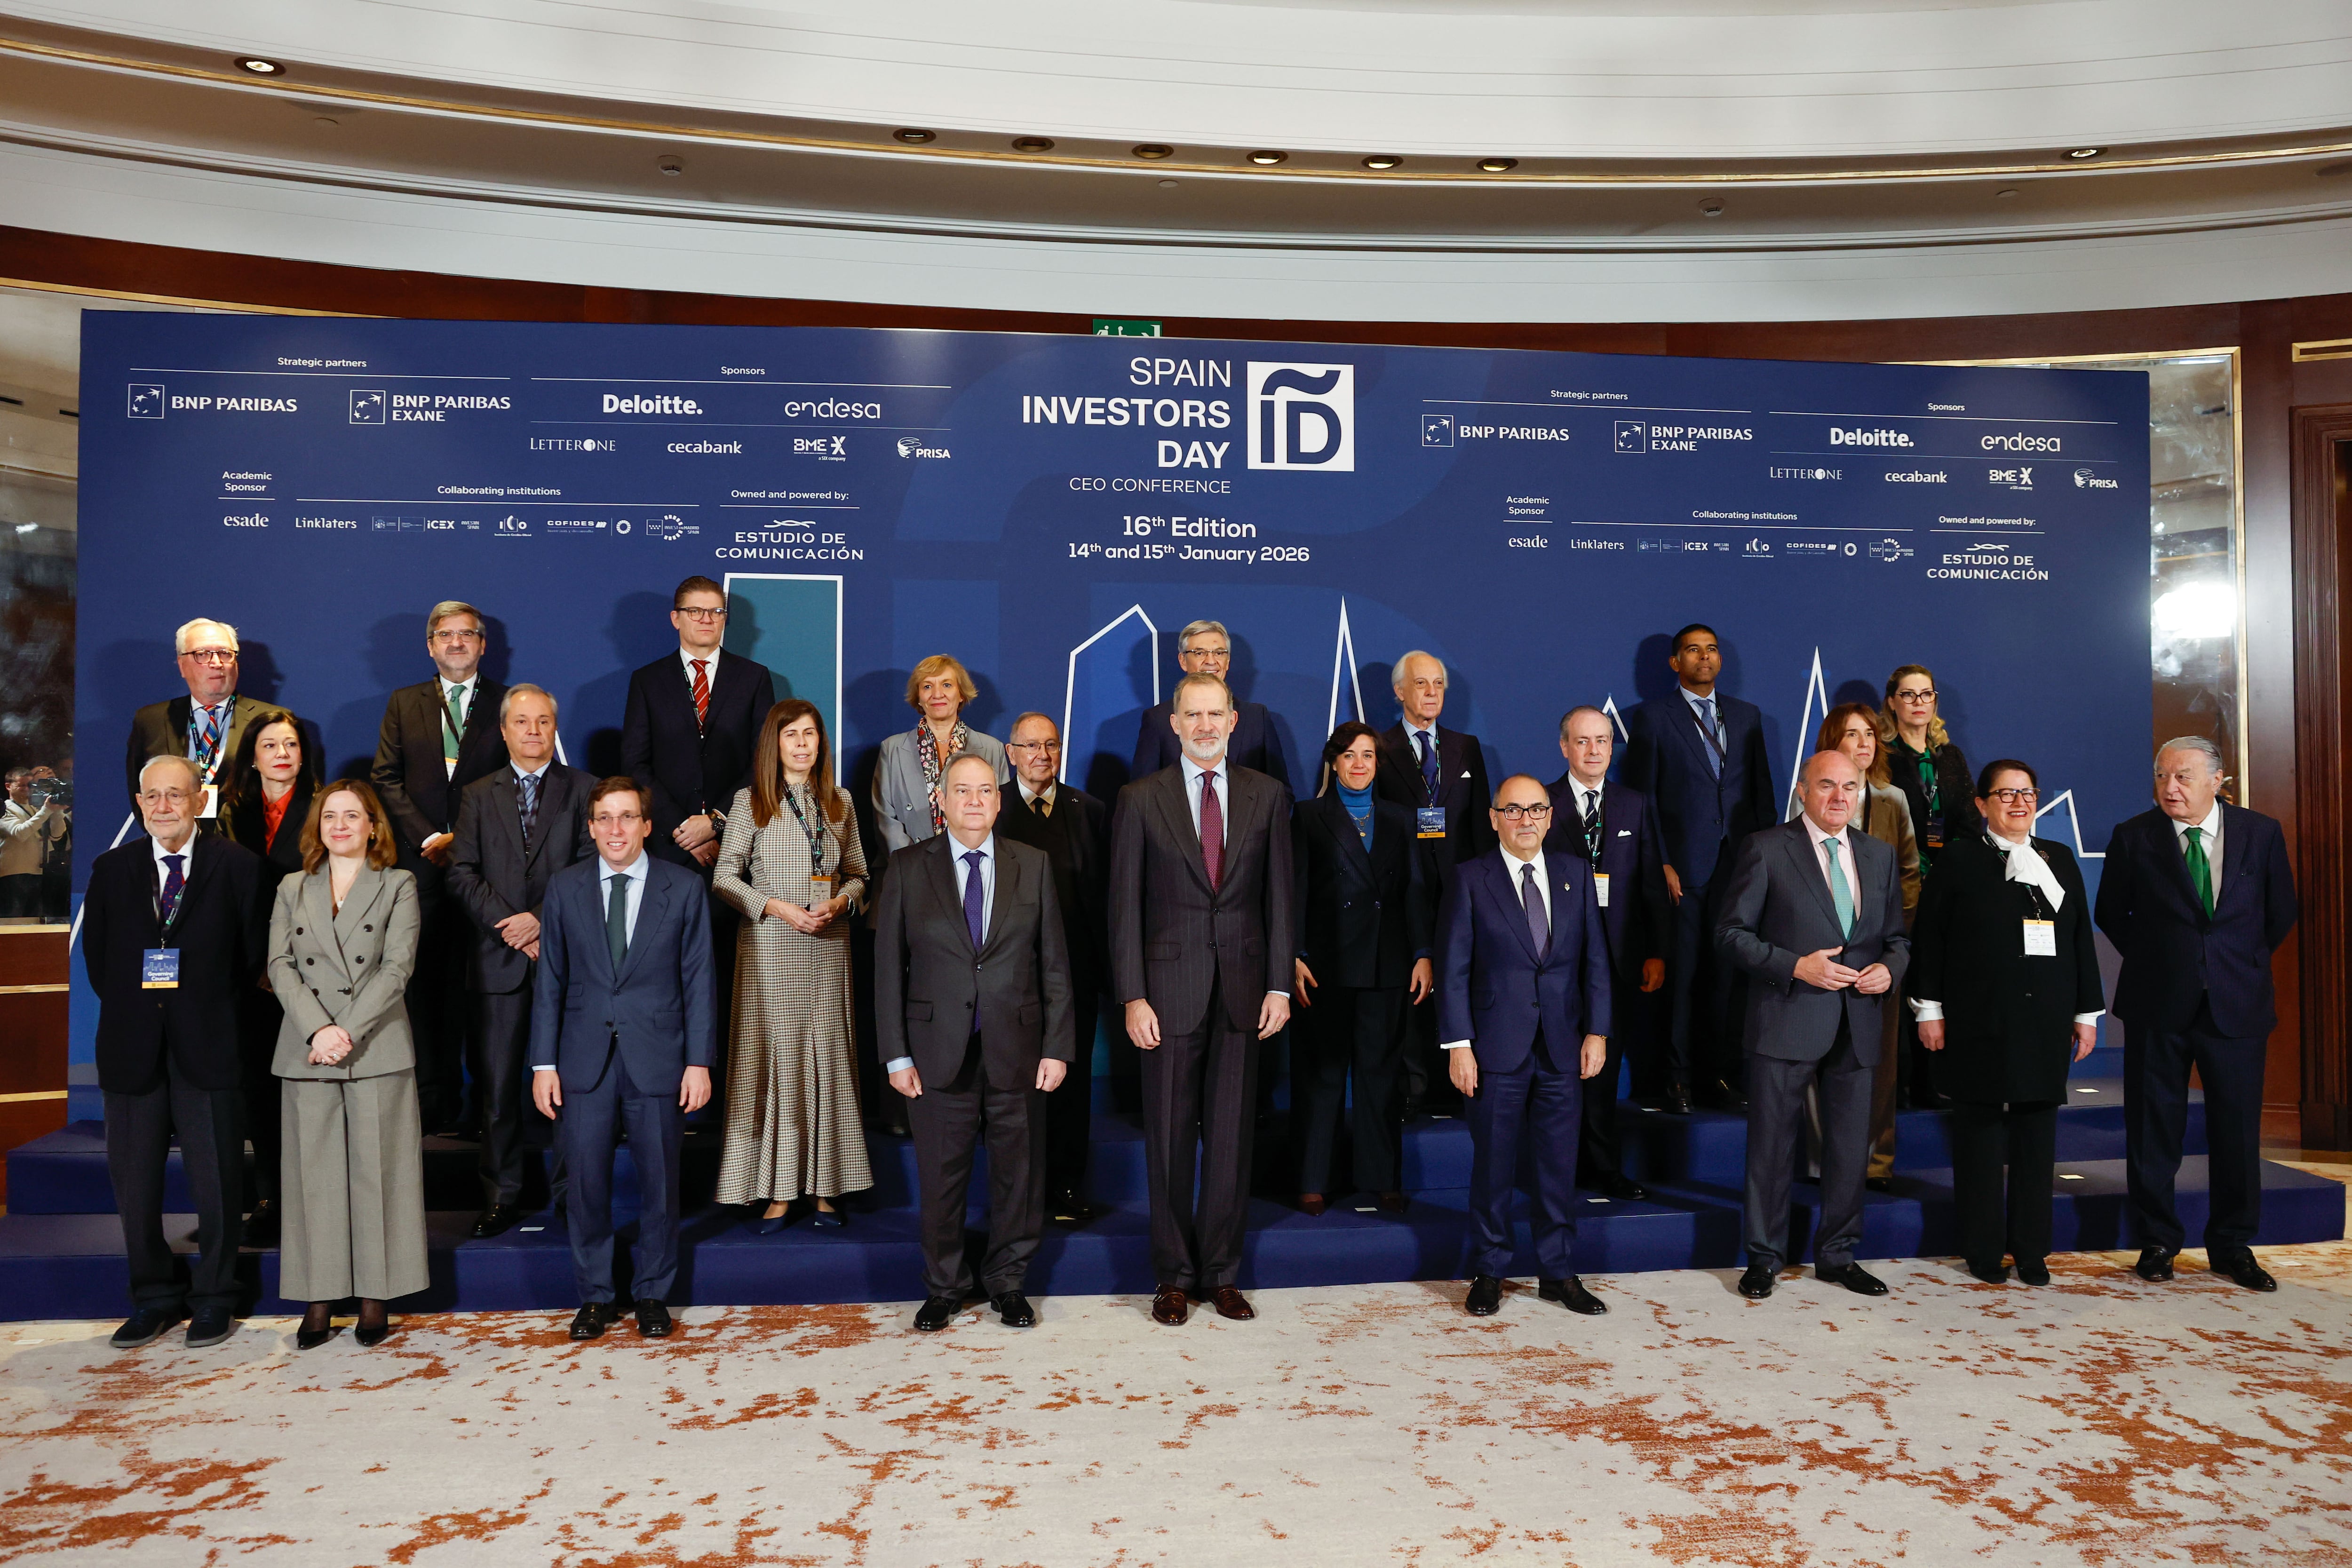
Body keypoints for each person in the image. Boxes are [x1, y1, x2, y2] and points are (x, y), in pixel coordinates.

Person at [1110, 672, 1295, 1326]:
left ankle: (1221, 1273)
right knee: (1167, 1138)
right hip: (1166, 995)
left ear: (1234, 721)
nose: (1206, 725)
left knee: (1230, 1140)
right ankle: (1171, 1275)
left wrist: (1279, 983)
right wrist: (1132, 996)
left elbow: (1280, 897)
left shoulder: (1266, 795)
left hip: (1244, 992)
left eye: (1216, 714)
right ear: (1175, 723)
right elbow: (1123, 906)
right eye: (1194, 715)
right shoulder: (1140, 798)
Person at [877, 752, 1076, 1331]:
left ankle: (1008, 1284)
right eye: (961, 790)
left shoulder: (1031, 864)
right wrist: (896, 1055)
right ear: (941, 800)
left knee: (1019, 1177)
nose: (973, 801)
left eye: (984, 790)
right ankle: (944, 1287)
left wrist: (1057, 1047)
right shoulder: (907, 867)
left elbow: (1055, 964)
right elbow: (888, 971)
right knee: (942, 1178)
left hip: (1019, 1049)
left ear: (998, 800)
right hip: (935, 1053)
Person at [2095, 736, 2298, 1292]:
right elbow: (2110, 912)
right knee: (2152, 1128)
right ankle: (2157, 1241)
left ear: (2216, 780)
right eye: (2162, 776)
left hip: (2236, 1003)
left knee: (2235, 1130)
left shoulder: (2260, 833)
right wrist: (2161, 960)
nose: (2170, 788)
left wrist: (2232, 962)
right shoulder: (2133, 836)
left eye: (2182, 777)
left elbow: (2280, 912)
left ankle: (2231, 1245)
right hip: (2156, 1003)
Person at [81, 755, 267, 1351]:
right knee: (135, 1187)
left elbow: (252, 958)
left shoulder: (238, 866)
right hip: (132, 1046)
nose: (164, 807)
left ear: (199, 801)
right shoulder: (111, 869)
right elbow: (100, 963)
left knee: (218, 1183)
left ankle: (215, 1295)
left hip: (209, 1045)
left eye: (176, 795)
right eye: (153, 797)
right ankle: (154, 1296)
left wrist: (201, 1008)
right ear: (139, 804)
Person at [1717, 749, 1910, 1302]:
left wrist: (1889, 970)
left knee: (1849, 1149)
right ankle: (1763, 1258)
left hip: (1858, 1022)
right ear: (1802, 790)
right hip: (1786, 1017)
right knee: (1771, 1147)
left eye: (1849, 787)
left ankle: (1838, 1255)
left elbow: (1896, 939)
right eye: (1826, 785)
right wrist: (1794, 966)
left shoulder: (1877, 855)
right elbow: (1729, 934)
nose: (1838, 797)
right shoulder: (1765, 848)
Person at [532, 778, 717, 1341]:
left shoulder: (683, 888)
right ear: (591, 828)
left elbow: (699, 980)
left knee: (659, 1183)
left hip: (659, 1057)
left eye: (628, 817)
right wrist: (543, 1064)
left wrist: (699, 1061)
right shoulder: (564, 888)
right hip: (581, 1060)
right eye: (605, 818)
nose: (616, 829)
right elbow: (550, 981)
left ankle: (652, 1294)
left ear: (646, 825)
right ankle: (595, 1296)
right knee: (585, 1183)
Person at [1909, 761, 2103, 1285]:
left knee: (2036, 1141)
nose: (2019, 804)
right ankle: (1982, 1249)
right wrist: (1929, 1009)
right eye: (2006, 795)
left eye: (2027, 793)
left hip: (2044, 1019)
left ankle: (2032, 1251)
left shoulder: (2058, 857)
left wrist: (2086, 1013)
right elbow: (1931, 939)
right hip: (1978, 1018)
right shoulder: (1959, 859)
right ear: (1981, 804)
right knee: (1979, 1139)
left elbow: (2079, 938)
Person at [1440, 774, 1613, 1318]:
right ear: (1494, 818)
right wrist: (1458, 1045)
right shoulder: (1471, 878)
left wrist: (1597, 1031)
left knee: (1558, 1166)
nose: (1525, 820)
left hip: (1562, 1047)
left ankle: (1557, 1273)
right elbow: (1452, 969)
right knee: (1493, 1165)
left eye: (1535, 809)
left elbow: (1595, 961)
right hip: (1494, 1050)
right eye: (1512, 810)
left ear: (1550, 816)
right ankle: (1489, 1270)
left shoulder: (1575, 874)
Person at [266, 780, 428, 1349]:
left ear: (373, 826)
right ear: (318, 827)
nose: (339, 825)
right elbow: (280, 964)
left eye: (352, 816)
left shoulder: (398, 884)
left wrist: (345, 1032)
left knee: (380, 1173)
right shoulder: (292, 886)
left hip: (375, 1044)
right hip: (307, 1047)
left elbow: (396, 968)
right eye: (330, 816)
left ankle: (375, 1295)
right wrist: (319, 1029)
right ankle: (319, 1295)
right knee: (314, 1179)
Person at [710, 700, 872, 1230]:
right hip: (771, 948)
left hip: (828, 946)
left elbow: (859, 874)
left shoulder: (841, 802)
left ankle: (825, 1189)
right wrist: (777, 908)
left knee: (827, 1057)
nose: (803, 744)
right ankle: (776, 1191)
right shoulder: (750, 801)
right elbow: (724, 878)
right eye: (792, 735)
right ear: (774, 744)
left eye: (810, 734)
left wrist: (841, 902)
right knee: (776, 1059)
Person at [446, 684, 594, 1238]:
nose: (534, 731)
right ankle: (501, 1196)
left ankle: (571, 1196)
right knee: (499, 1092)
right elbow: (461, 872)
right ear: (504, 731)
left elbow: (592, 867)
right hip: (498, 960)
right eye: (523, 722)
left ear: (555, 727)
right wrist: (511, 925)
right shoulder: (477, 794)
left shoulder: (585, 790)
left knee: (572, 1088)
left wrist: (539, 919)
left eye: (543, 721)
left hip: (567, 961)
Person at [1621, 623, 1775, 1114]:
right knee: (1684, 978)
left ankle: (1721, 1077)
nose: (1704, 657)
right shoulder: (1652, 718)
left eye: (1711, 649)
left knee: (1728, 979)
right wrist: (1661, 860)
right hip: (1682, 870)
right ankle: (1677, 1078)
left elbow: (1761, 793)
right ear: (1675, 663)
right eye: (1692, 650)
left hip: (1739, 867)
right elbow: (1642, 800)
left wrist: (1766, 862)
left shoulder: (1748, 716)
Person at [370, 600, 510, 1136]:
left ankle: (488, 1106)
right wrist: (431, 837)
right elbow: (385, 778)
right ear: (430, 646)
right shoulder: (404, 702)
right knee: (424, 988)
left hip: (488, 870)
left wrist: (465, 840)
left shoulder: (507, 703)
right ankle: (433, 1100)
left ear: (482, 645)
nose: (456, 643)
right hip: (420, 868)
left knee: (485, 990)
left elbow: (518, 778)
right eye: (445, 635)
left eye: (466, 634)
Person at [620, 575, 777, 1054]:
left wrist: (717, 822)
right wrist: (684, 828)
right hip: (668, 853)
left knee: (729, 979)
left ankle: (725, 1088)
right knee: (665, 977)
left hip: (735, 854)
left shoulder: (754, 678)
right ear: (676, 618)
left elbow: (764, 761)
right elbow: (635, 765)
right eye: (696, 611)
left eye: (716, 611)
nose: (707, 619)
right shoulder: (647, 681)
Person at [1293, 721, 1433, 1214]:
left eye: (1368, 755)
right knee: (1322, 1076)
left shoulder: (1400, 818)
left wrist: (1422, 952)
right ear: (1333, 762)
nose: (1359, 764)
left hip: (1387, 963)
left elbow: (1415, 889)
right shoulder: (1307, 816)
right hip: (1324, 966)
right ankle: (1314, 1178)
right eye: (1350, 755)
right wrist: (1295, 954)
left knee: (1380, 1075)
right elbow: (1294, 890)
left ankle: (1382, 1176)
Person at [1544, 705, 1670, 1200]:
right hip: (1554, 962)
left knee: (1602, 1072)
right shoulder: (1542, 803)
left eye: (1602, 740)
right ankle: (1555, 1168)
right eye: (1583, 741)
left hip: (1617, 962)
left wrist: (1657, 951)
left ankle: (1602, 1166)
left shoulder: (1634, 804)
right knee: (1557, 1071)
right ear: (1564, 747)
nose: (1594, 750)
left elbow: (1651, 885)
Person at [995, 711, 1114, 1223]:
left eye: (1051, 745)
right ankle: (1019, 1195)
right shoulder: (990, 806)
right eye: (1030, 746)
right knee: (1014, 1088)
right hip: (1009, 978)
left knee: (1072, 1084)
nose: (1041, 755)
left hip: (1074, 976)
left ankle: (1066, 1186)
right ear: (1010, 752)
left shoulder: (1088, 811)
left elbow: (1105, 897)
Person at [1374, 650, 1493, 1117]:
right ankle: (1413, 1087)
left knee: (1459, 982)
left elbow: (1481, 824)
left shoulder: (1467, 747)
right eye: (1421, 684)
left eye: (1438, 684)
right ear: (1399, 691)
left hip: (1460, 889)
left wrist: (1487, 887)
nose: (1430, 693)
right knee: (1411, 988)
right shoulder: (1379, 748)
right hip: (1404, 890)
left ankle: (1457, 1085)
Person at [220, 707, 318, 1247]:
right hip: (246, 974)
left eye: (291, 744)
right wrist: (254, 965)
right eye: (270, 745)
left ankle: (313, 1202)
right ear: (252, 759)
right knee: (258, 1090)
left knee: (307, 1091)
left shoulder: (326, 809)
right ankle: (269, 1198)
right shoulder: (229, 814)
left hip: (310, 973)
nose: (282, 753)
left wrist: (281, 965)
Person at [1816, 703, 1921, 1191]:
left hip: (1878, 960)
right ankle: (1820, 1161)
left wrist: (1889, 946)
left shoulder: (1892, 799)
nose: (1863, 743)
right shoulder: (1806, 797)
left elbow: (1909, 875)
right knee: (1818, 1059)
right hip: (1820, 959)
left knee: (1879, 1063)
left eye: (1870, 734)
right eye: (1851, 734)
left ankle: (1876, 1162)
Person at [123, 617, 259, 828]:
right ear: (182, 665)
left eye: (225, 654)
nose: (217, 663)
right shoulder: (150, 720)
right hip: (173, 840)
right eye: (202, 654)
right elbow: (139, 789)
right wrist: (165, 838)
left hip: (245, 841)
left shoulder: (270, 721)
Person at [872, 654, 1011, 855]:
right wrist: (915, 865)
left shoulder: (992, 749)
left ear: (961, 694)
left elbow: (999, 814)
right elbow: (885, 819)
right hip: (909, 865)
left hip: (972, 863)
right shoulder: (892, 749)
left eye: (947, 685)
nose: (937, 694)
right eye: (927, 686)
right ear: (919, 697)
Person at [1129, 620, 1291, 788]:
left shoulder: (1257, 717)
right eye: (1200, 653)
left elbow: (1280, 791)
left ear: (1228, 661)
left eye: (1219, 653)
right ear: (1183, 660)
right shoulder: (1158, 719)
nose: (1211, 661)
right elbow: (1142, 793)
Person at [1881, 665, 1978, 871]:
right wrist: (1916, 865)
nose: (1919, 702)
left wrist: (1952, 862)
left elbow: (1970, 819)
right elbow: (1881, 824)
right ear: (1891, 702)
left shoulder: (1951, 756)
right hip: (1901, 871)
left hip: (1953, 871)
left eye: (1927, 694)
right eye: (1908, 694)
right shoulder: (1881, 757)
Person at [0, 765, 63, 916]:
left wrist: (57, 810)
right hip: (13, 874)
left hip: (38, 872)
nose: (27, 789)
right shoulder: (5, 809)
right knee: (13, 921)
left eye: (30, 785)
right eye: (22, 785)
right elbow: (20, 834)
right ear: (8, 786)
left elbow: (57, 835)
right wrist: (46, 811)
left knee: (35, 921)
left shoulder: (36, 809)